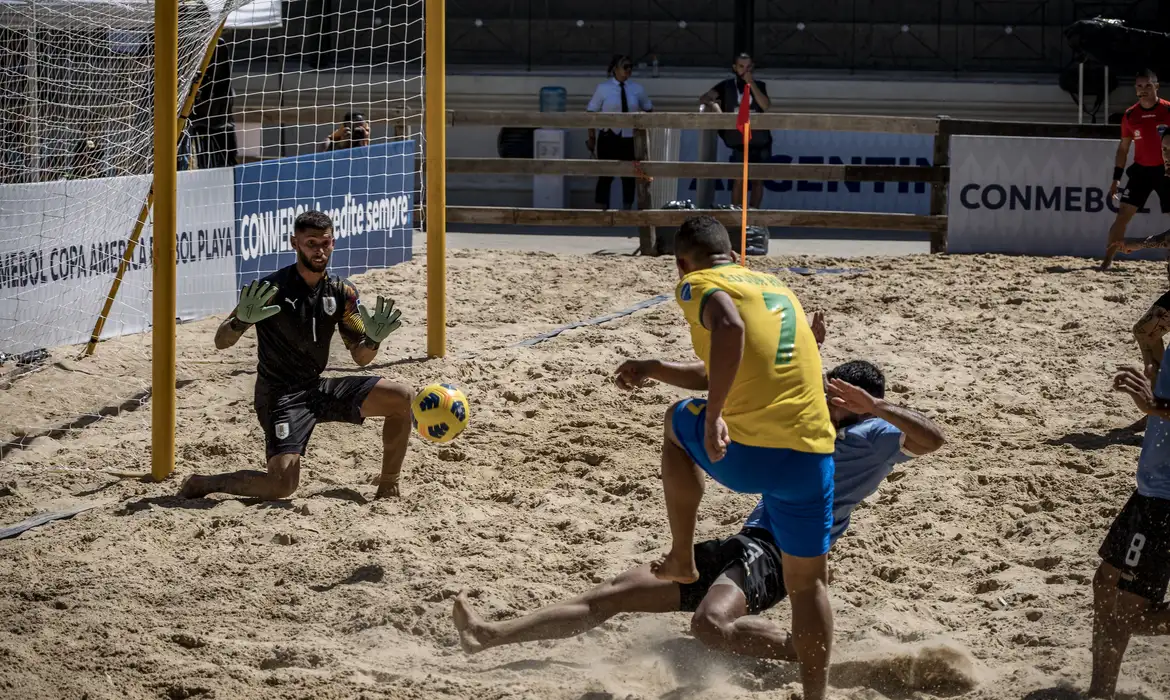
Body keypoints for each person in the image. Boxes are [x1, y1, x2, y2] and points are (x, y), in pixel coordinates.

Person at [453, 341, 946, 669]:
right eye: (829, 395)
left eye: (844, 402)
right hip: (748, 541)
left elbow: (934, 439)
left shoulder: (878, 435)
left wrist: (876, 407)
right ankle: (491, 635)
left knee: (709, 625)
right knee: (614, 592)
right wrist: (654, 370)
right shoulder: (805, 413)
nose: (832, 407)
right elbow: (722, 376)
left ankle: (813, 656)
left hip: (784, 554)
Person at [630, 215, 837, 699]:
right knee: (809, 588)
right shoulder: (776, 286)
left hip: (751, 453)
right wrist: (656, 367)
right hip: (812, 456)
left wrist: (714, 414)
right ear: (736, 255)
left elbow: (728, 327)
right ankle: (816, 696)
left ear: (681, 262)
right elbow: (732, 359)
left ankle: (682, 556)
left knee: (675, 423)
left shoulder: (696, 284)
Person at [178, 210, 413, 501]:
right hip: (280, 396)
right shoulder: (270, 289)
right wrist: (239, 321)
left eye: (325, 243)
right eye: (311, 243)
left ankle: (389, 483)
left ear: (333, 243)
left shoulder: (343, 292)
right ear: (294, 243)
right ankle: (205, 483)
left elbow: (360, 358)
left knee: (402, 396)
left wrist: (373, 340)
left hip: (315, 386)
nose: (319, 250)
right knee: (282, 486)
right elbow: (221, 341)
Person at [1090, 359, 1170, 698]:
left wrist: (1154, 405)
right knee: (1106, 586)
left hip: (1165, 500)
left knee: (1127, 612)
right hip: (1151, 488)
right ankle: (1100, 693)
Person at [1102, 71, 1170, 271]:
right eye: (1139, 86)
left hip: (1165, 170)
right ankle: (1107, 260)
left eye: (1147, 86)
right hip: (1140, 172)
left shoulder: (1167, 110)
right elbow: (1123, 148)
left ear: (1156, 87)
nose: (1143, 90)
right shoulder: (1131, 115)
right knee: (1122, 215)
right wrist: (1116, 178)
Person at [700, 53, 773, 209]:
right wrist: (717, 109)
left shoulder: (759, 85)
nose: (745, 70)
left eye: (748, 67)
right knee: (738, 178)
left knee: (757, 179)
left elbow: (765, 105)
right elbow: (706, 98)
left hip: (759, 139)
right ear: (734, 67)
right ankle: (736, 214)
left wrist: (751, 83)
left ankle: (754, 216)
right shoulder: (726, 86)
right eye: (741, 66)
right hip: (739, 140)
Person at [585, 54, 653, 210]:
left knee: (628, 176)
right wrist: (591, 138)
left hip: (629, 137)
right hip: (609, 136)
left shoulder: (636, 89)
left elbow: (649, 109)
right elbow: (591, 112)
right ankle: (602, 210)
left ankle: (627, 209)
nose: (628, 70)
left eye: (630, 67)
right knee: (605, 175)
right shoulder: (603, 88)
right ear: (615, 69)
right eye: (625, 67)